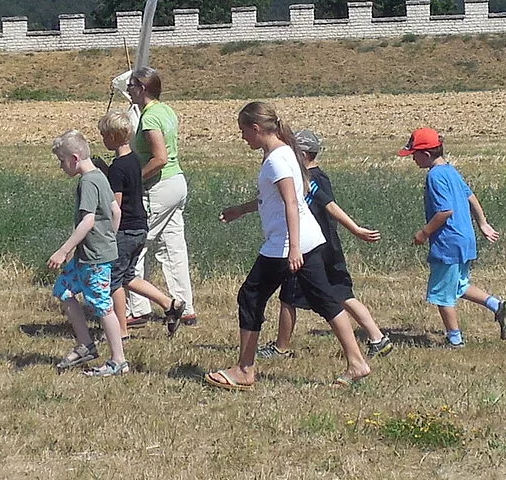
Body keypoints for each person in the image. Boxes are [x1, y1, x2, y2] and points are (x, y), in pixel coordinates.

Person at [204, 102, 372, 390]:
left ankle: (245, 370)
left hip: (286, 244)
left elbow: (292, 203)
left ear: (256, 129)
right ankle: (357, 362)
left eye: (243, 131)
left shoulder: (277, 160)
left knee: (251, 296)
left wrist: (294, 248)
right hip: (307, 239)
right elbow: (276, 198)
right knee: (326, 300)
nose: (242, 137)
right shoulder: (283, 152)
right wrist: (240, 210)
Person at [259, 129, 394, 360]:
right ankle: (377, 337)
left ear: (301, 154)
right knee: (341, 293)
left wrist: (356, 229)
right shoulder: (313, 178)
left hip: (311, 248)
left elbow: (329, 205)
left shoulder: (311, 181)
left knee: (288, 297)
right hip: (329, 245)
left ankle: (281, 348)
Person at [400, 127, 506, 347]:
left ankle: (455, 340)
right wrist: (482, 223)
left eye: (414, 154)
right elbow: (470, 196)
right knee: (459, 285)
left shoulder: (434, 176)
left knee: (443, 295)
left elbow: (445, 211)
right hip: (464, 239)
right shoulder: (450, 171)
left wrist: (424, 233)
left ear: (426, 154)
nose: (412, 158)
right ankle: (498, 307)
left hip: (448, 243)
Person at [95, 111, 187, 336]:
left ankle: (121, 330)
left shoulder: (117, 167)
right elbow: (129, 184)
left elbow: (115, 204)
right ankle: (169, 304)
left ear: (114, 137)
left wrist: (106, 231)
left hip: (124, 229)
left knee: (113, 281)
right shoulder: (134, 160)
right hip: (140, 226)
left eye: (104, 135)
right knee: (128, 276)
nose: (102, 139)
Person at [48, 131, 130, 377]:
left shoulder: (87, 182)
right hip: (90, 254)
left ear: (74, 158)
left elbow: (87, 221)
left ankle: (118, 361)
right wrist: (109, 239)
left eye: (62, 162)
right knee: (64, 290)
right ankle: (86, 345)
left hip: (94, 258)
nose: (61, 167)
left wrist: (64, 250)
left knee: (102, 306)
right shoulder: (101, 177)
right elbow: (115, 212)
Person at [123, 67, 198, 329]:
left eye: (131, 85)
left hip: (159, 186)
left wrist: (134, 180)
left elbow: (160, 158)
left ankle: (138, 309)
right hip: (177, 183)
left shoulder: (151, 117)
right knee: (173, 248)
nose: (128, 90)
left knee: (135, 244)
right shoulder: (165, 110)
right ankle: (185, 308)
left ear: (142, 88)